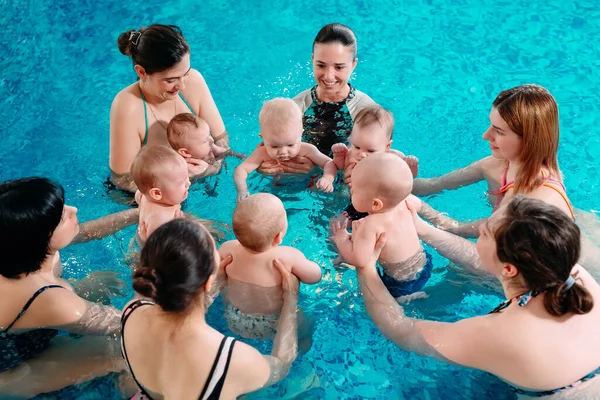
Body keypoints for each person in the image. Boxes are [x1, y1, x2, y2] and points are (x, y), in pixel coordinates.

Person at [355, 196, 600, 398]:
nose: (479, 231)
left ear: (508, 270)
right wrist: (421, 228)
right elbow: (478, 260)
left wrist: (364, 267)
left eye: (483, 234)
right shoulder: (570, 273)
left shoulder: (495, 333)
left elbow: (400, 331)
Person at [410, 84, 600, 274]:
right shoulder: (494, 164)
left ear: (529, 140)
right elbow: (435, 184)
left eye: (499, 132)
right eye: (490, 125)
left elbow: (487, 265)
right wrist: (396, 178)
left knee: (459, 275)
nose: (486, 136)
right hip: (570, 225)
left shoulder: (535, 203)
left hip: (572, 273)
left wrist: (421, 223)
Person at [121, 218, 300, 399]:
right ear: (207, 282)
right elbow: (282, 365)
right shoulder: (230, 360)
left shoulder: (132, 311)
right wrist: (290, 299)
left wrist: (216, 284)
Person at [0, 178, 128, 398]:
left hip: (27, 324)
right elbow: (132, 324)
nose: (74, 209)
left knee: (102, 281)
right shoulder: (52, 301)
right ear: (42, 238)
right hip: (13, 373)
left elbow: (87, 232)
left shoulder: (19, 247)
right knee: (123, 352)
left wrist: (139, 213)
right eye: (62, 216)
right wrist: (205, 282)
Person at [110, 24, 229, 192]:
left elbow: (221, 138)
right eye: (171, 80)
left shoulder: (193, 80)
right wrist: (182, 176)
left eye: (185, 73)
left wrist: (211, 168)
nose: (181, 85)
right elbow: (123, 181)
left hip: (200, 177)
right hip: (152, 194)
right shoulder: (127, 106)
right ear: (141, 72)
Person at [258, 23, 375, 179]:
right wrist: (264, 166)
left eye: (339, 67)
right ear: (312, 60)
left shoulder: (367, 112)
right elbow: (271, 146)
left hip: (346, 181)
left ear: (353, 65)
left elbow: (377, 163)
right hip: (299, 177)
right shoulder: (295, 107)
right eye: (321, 65)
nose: (328, 76)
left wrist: (316, 168)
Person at [218, 193, 321, 346]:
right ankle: (304, 348)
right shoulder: (288, 256)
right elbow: (314, 277)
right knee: (308, 325)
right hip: (274, 322)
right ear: (279, 237)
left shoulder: (228, 249)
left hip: (234, 318)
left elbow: (212, 267)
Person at [331, 153, 432, 299]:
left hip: (400, 282)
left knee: (378, 293)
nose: (351, 195)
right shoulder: (405, 203)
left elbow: (360, 259)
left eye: (354, 192)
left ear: (376, 204)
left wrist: (341, 240)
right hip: (425, 263)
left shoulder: (370, 224)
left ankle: (405, 298)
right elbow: (417, 206)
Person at [234, 98, 338, 203]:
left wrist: (327, 178)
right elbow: (241, 170)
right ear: (263, 138)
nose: (283, 152)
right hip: (278, 185)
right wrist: (242, 189)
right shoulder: (262, 153)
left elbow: (329, 162)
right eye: (274, 146)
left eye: (290, 144)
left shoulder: (307, 150)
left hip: (310, 183)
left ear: (301, 134)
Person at [331, 105, 419, 220]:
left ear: (387, 146)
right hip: (358, 201)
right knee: (337, 221)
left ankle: (441, 220)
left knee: (413, 201)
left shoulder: (394, 158)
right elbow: (338, 166)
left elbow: (408, 178)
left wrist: (411, 166)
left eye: (370, 151)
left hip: (387, 202)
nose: (361, 154)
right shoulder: (350, 154)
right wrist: (338, 156)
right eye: (357, 146)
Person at [131, 145, 190, 244]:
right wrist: (179, 229)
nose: (188, 183)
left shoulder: (142, 196)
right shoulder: (161, 220)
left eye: (187, 177)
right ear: (157, 193)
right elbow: (162, 252)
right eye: (181, 182)